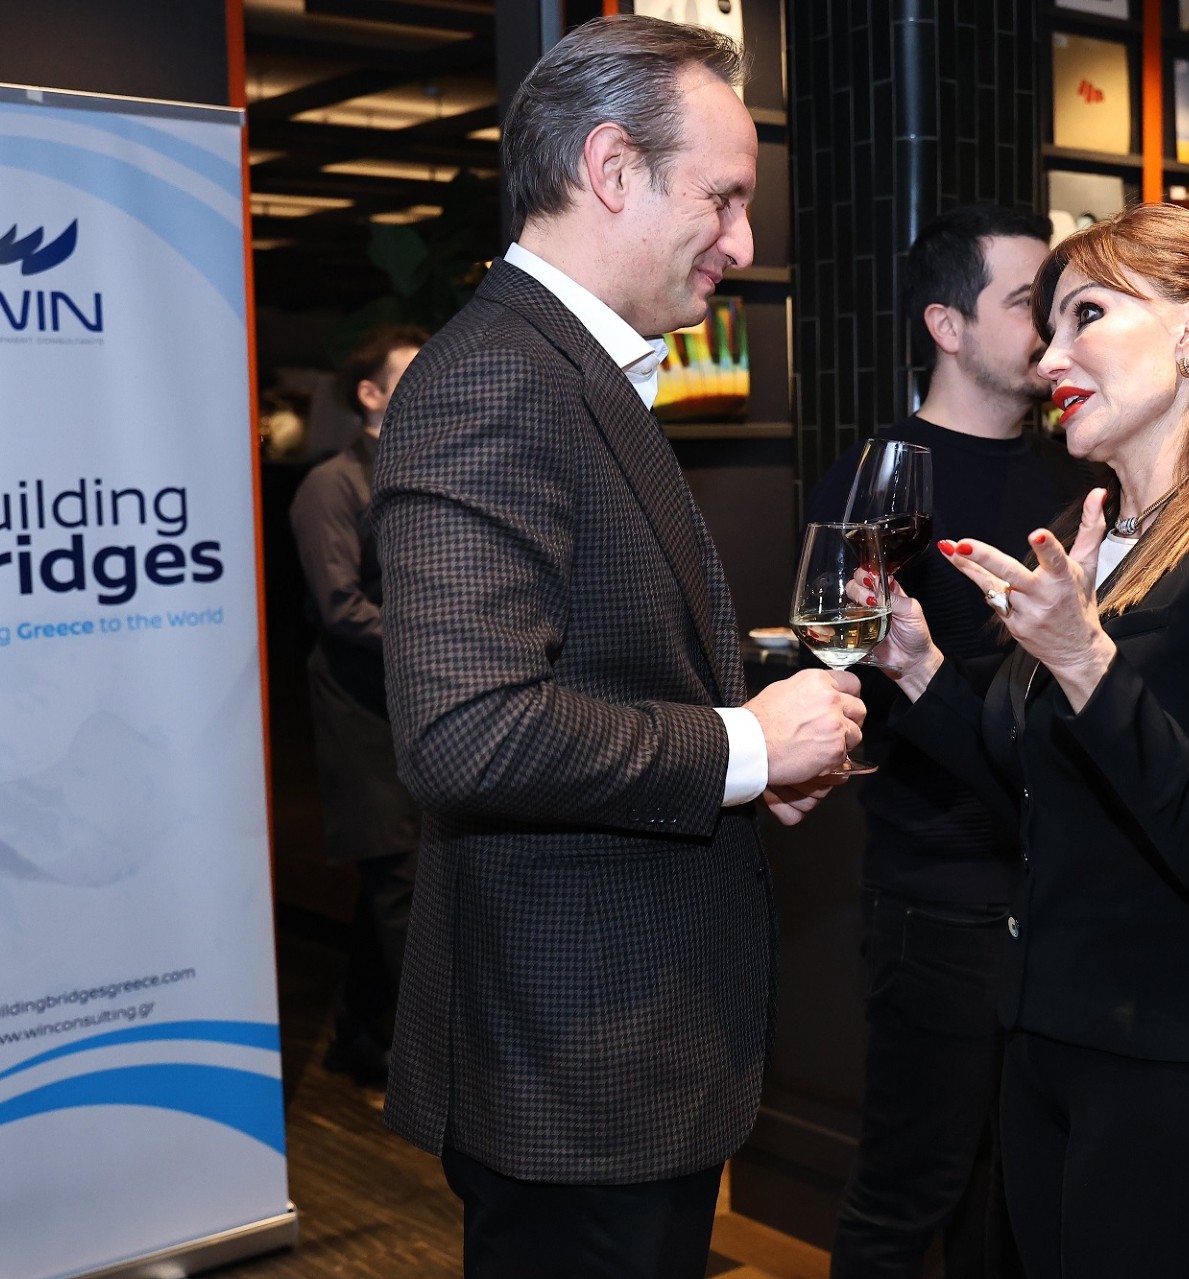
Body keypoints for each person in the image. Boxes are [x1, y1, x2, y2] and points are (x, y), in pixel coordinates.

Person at [371, 16, 866, 1277]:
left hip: (611, 1056)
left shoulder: (567, 372)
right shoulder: (500, 379)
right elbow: (467, 730)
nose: (742, 244)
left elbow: (596, 664)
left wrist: (751, 757)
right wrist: (743, 748)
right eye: (724, 197)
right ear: (610, 168)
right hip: (572, 1065)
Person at [868, 202, 1189, 1277]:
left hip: (1170, 1057)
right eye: (1046, 328)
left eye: (1085, 315)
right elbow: (1037, 785)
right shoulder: (1105, 541)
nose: (1050, 359)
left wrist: (1082, 656)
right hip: (1046, 1033)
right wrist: (921, 670)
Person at [804, 203, 1091, 1279]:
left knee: (1019, 1197)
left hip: (1060, 886)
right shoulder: (881, 481)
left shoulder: (1079, 477)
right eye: (1026, 303)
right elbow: (847, 672)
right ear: (947, 324)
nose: (1050, 328)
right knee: (909, 1190)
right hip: (941, 892)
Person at [288, 323, 428, 1088]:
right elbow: (339, 606)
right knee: (399, 874)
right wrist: (438, 638)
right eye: (411, 376)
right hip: (359, 707)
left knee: (398, 872)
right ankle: (449, 1066)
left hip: (415, 703)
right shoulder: (332, 485)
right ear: (369, 394)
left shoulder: (428, 469)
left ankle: (357, 1036)